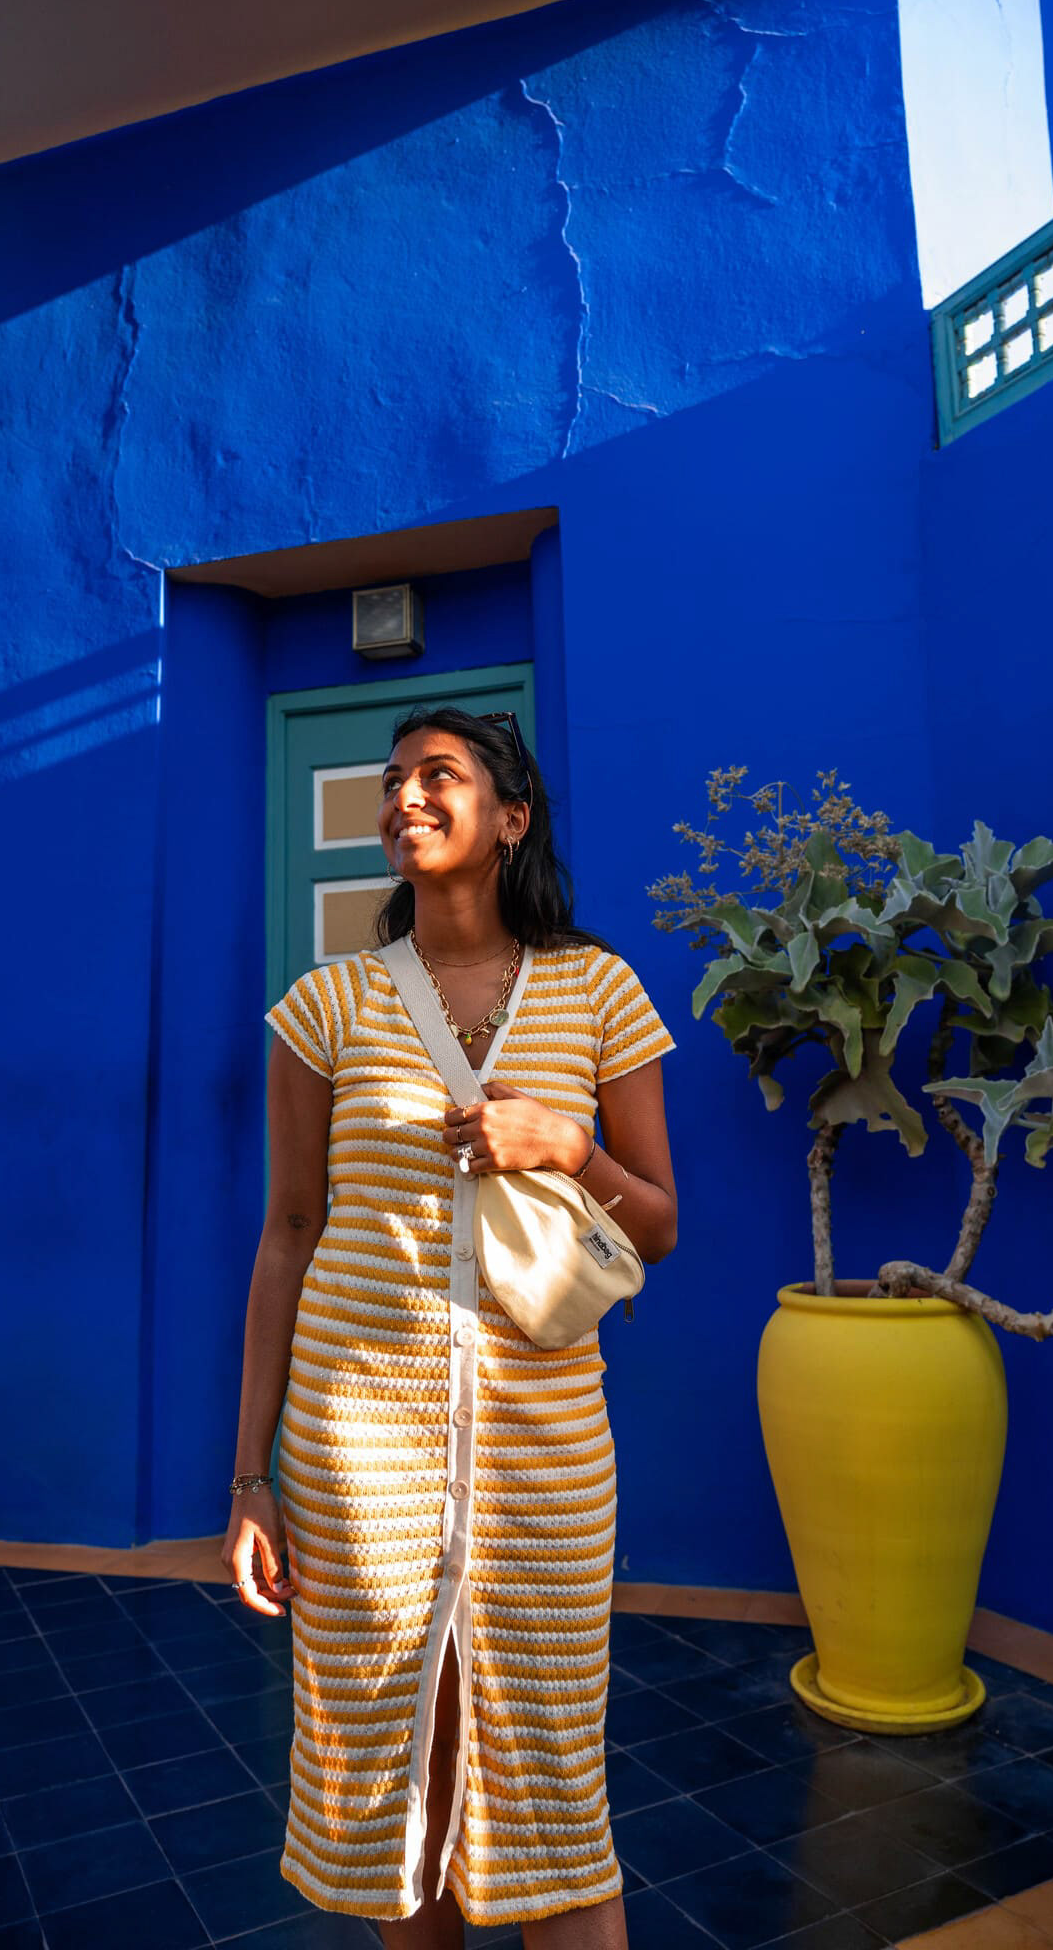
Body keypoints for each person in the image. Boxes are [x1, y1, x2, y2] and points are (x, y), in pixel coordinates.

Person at [224, 704, 678, 1947]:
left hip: (548, 1448)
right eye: (392, 781)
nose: (403, 797)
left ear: (510, 816)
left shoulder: (598, 989)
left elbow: (657, 1222)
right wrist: (252, 1477)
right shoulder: (325, 1006)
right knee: (396, 1785)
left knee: (551, 1783)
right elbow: (288, 1233)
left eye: (438, 775)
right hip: (357, 1448)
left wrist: (567, 1144)